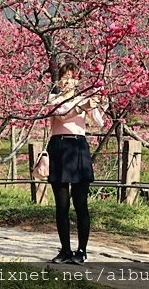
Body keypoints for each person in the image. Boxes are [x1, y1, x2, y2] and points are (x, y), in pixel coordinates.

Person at [46, 62, 106, 265]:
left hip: (79, 148)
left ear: (78, 80)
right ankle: (65, 250)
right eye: (64, 76)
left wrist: (98, 103)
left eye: (71, 77)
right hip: (59, 147)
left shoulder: (84, 99)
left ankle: (82, 251)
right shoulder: (53, 99)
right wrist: (82, 106)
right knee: (61, 205)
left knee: (81, 204)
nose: (67, 80)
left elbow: (100, 122)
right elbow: (62, 117)